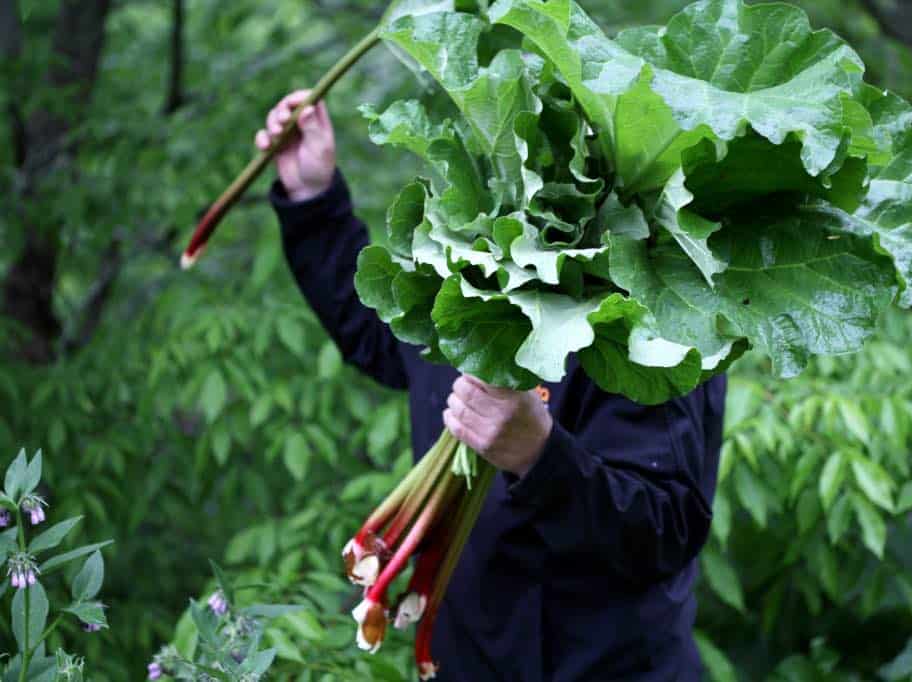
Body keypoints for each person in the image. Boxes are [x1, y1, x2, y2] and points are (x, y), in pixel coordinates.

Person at [258, 90, 728, 682]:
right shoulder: (476, 266)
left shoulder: (655, 311)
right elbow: (381, 337)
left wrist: (541, 456)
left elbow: (667, 528)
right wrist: (312, 198)